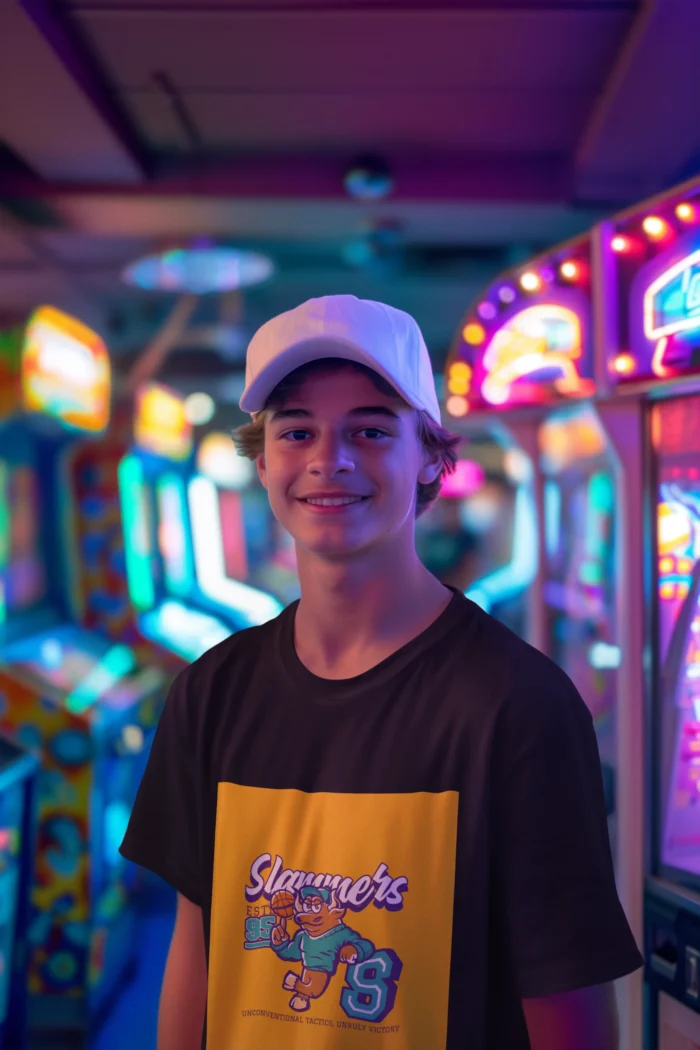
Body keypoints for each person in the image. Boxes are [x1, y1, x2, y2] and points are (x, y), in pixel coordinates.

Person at [120, 295, 642, 1050]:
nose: (328, 459)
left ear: (431, 457)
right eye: (297, 431)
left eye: (369, 430)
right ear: (263, 460)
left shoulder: (518, 704)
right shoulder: (210, 689)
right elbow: (197, 948)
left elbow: (569, 1008)